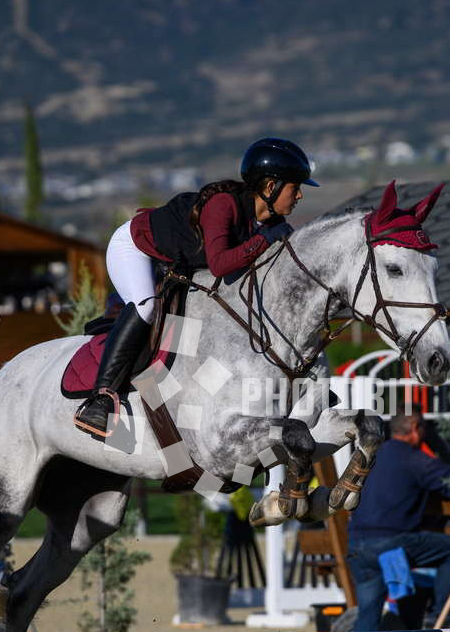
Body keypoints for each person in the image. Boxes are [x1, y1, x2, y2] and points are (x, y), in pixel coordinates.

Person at [74, 138, 319, 438]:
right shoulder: (224, 205)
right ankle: (100, 398)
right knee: (146, 306)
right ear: (271, 187)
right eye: (295, 187)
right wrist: (265, 239)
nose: (300, 195)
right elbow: (220, 265)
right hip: (136, 249)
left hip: (177, 265)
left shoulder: (270, 222)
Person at [347, 405, 450, 632]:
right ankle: (442, 615)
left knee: (368, 618)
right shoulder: (414, 459)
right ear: (414, 429)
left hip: (357, 546)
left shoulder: (370, 457)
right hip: (391, 544)